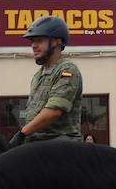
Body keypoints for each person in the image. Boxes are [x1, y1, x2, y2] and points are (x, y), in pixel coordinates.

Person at [9, 16, 83, 147]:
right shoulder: (39, 75)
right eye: (32, 41)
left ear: (57, 42)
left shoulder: (67, 70)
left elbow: (53, 112)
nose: (34, 46)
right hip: (36, 143)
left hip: (60, 146)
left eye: (39, 40)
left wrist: (22, 133)